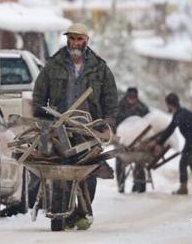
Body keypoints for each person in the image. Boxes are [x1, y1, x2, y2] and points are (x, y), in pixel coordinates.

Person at [33, 22, 118, 230]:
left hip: (89, 129)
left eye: (79, 39)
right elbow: (38, 94)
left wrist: (107, 124)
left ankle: (82, 211)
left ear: (86, 41)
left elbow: (111, 100)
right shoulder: (53, 65)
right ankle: (59, 213)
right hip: (59, 128)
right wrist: (42, 118)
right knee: (60, 171)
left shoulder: (99, 67)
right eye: (72, 38)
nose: (75, 43)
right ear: (67, 40)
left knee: (87, 173)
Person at [156, 93, 192, 196]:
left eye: (168, 105)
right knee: (184, 163)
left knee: (191, 162)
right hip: (190, 142)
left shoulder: (180, 115)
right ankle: (184, 188)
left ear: (170, 105)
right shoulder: (182, 113)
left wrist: (159, 143)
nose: (168, 107)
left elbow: (170, 130)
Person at [116, 87, 149, 193]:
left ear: (137, 98)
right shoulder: (119, 107)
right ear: (126, 97)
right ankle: (121, 185)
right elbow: (113, 122)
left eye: (133, 98)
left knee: (139, 161)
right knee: (119, 161)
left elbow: (148, 123)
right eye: (129, 98)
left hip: (138, 142)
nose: (131, 100)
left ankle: (139, 185)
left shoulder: (142, 108)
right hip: (122, 140)